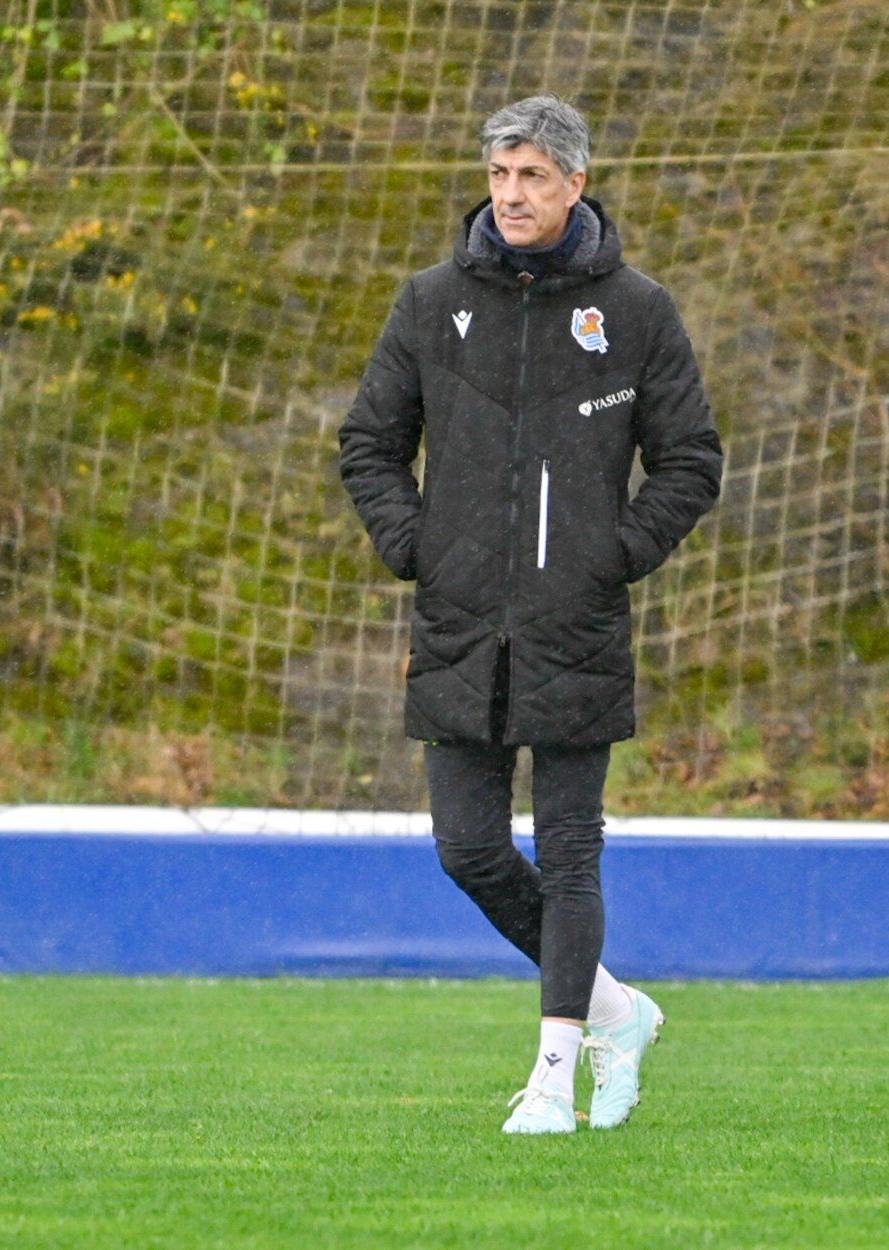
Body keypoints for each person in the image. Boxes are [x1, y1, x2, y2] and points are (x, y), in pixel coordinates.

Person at [337, 95, 723, 1135]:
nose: (511, 194)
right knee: (464, 848)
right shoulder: (427, 302)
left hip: (575, 624)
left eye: (533, 177)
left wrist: (614, 556)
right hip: (459, 623)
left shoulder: (636, 311)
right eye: (500, 174)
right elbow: (368, 443)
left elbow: (691, 461)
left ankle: (554, 1072)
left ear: (574, 187)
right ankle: (616, 1010)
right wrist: (420, 549)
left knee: (567, 850)